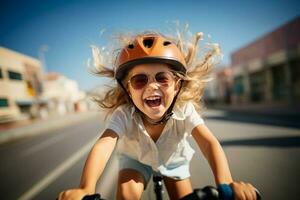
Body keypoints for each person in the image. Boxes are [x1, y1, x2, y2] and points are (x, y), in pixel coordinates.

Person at [58, 30, 258, 200]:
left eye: (162, 78)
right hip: (135, 160)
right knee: (127, 196)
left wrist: (226, 184)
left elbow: (209, 144)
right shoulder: (124, 114)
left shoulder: (184, 110)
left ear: (177, 85)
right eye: (139, 80)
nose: (152, 86)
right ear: (128, 89)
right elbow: (103, 146)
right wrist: (86, 187)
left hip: (174, 160)